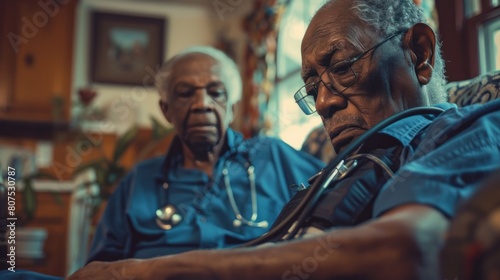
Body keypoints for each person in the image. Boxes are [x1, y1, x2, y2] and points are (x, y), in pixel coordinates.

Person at [67, 0, 500, 279]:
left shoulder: (463, 130)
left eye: (344, 65)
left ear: (419, 54)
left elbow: (411, 248)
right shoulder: (342, 173)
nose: (326, 101)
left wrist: (142, 273)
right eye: (312, 88)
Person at [85, 46, 324, 262]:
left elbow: (341, 194)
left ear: (232, 108)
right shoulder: (140, 179)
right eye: (185, 93)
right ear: (166, 110)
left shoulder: (273, 156)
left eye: (216, 92)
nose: (202, 104)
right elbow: (102, 265)